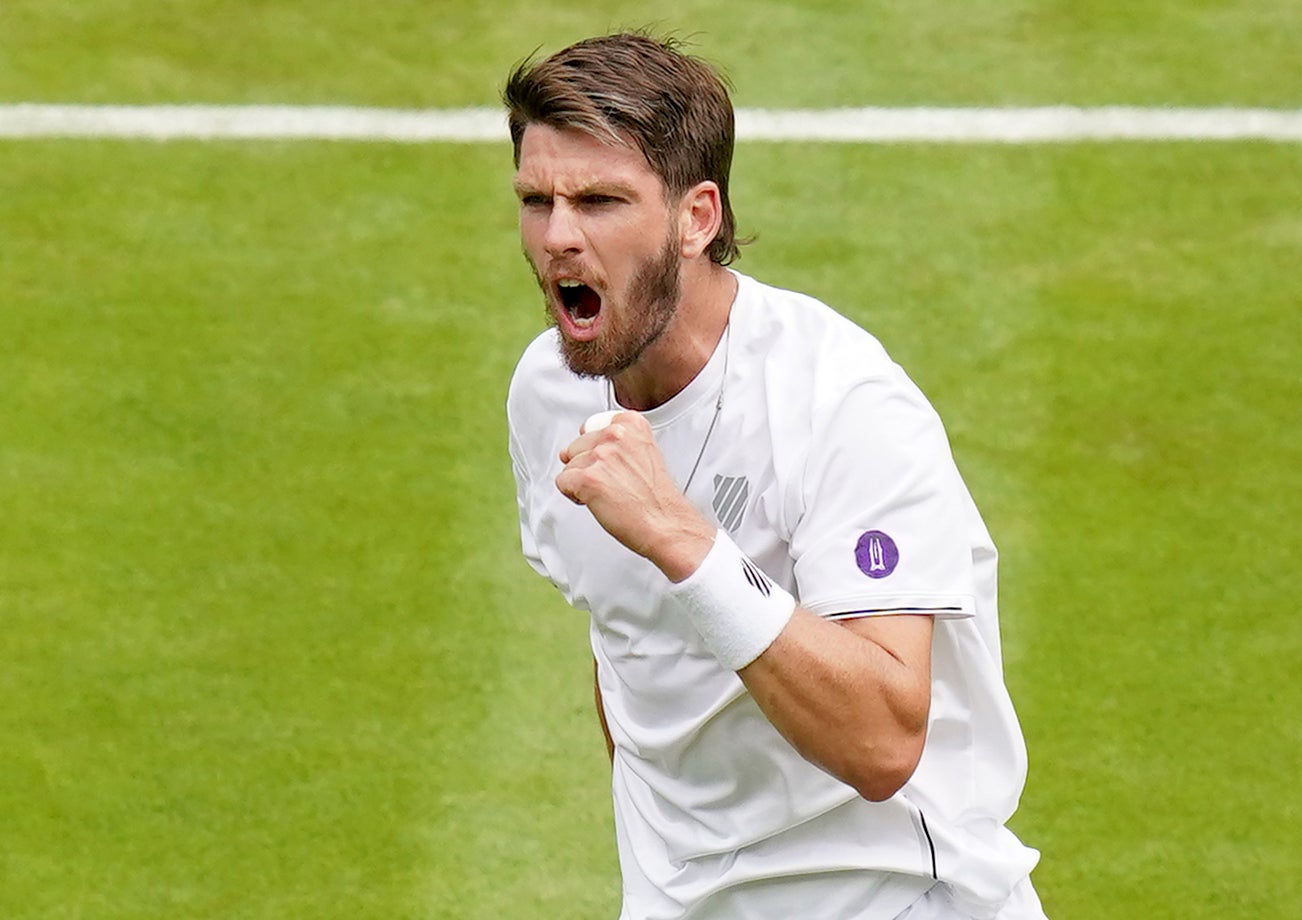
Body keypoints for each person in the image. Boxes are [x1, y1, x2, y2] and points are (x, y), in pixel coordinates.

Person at [503, 32, 1048, 920]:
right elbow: (628, 649)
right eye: (537, 200)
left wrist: (682, 539)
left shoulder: (843, 404)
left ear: (697, 217)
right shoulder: (546, 392)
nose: (559, 236)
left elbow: (882, 741)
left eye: (601, 200)